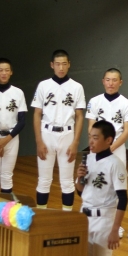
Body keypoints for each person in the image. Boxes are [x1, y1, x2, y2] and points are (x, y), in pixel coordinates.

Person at [77, 120, 128, 256]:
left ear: (108, 140)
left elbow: (123, 198)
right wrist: (80, 178)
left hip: (104, 219)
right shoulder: (87, 159)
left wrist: (115, 229)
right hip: (85, 217)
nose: (91, 141)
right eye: (90, 137)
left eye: (95, 138)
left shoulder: (116, 164)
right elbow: (80, 192)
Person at [31, 50, 86, 210]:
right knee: (44, 180)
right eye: (57, 64)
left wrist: (75, 142)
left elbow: (79, 116)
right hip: (47, 133)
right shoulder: (43, 85)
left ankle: (66, 218)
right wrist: (39, 141)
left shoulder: (76, 87)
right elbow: (37, 114)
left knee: (67, 181)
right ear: (52, 65)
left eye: (64, 64)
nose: (61, 67)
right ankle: (41, 216)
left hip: (67, 134)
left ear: (69, 64)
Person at [86, 68, 128, 238]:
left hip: (117, 149)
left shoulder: (126, 104)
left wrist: (110, 147)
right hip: (97, 149)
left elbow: (127, 131)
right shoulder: (94, 101)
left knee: (116, 187)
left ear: (120, 82)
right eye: (108, 80)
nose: (111, 83)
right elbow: (91, 127)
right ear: (103, 81)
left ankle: (116, 224)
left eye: (114, 80)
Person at [0, 58, 27, 193]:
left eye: (7, 70)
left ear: (11, 72)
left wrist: (6, 140)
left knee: (7, 176)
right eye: (0, 70)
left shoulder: (18, 93)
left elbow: (22, 121)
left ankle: (7, 207)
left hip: (11, 137)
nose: (4, 73)